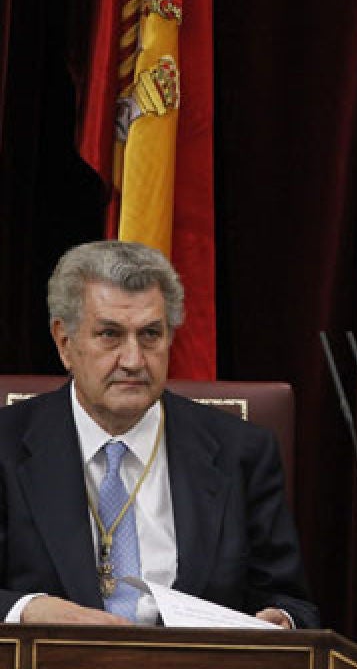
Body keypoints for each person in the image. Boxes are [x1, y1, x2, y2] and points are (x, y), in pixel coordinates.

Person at [0, 240, 319, 628]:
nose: (133, 360)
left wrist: (281, 621)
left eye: (150, 334)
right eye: (110, 334)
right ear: (65, 343)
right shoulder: (6, 446)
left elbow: (293, 604)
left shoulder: (242, 451)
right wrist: (28, 610)